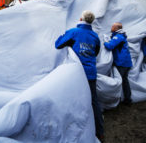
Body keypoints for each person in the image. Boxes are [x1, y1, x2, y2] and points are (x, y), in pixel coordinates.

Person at [55, 10, 104, 141]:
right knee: (94, 101)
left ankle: (74, 130)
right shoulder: (95, 36)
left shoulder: (74, 32)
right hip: (91, 74)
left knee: (73, 101)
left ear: (81, 19)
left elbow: (57, 44)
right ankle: (100, 131)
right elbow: (96, 52)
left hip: (76, 74)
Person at [104, 22, 133, 105]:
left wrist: (104, 42)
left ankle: (117, 101)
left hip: (121, 63)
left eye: (113, 26)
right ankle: (127, 99)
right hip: (126, 63)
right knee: (124, 81)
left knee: (118, 82)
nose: (111, 27)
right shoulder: (121, 36)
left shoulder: (118, 37)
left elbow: (110, 46)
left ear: (116, 28)